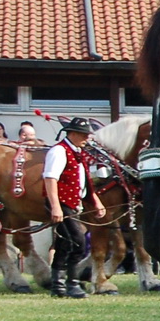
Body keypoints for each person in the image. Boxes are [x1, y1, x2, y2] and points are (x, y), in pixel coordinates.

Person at [41, 116, 106, 299]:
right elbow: (50, 179)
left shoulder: (76, 152)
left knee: (65, 242)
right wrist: (55, 207)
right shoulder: (59, 151)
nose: (87, 139)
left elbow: (84, 182)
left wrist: (96, 202)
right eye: (84, 135)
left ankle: (58, 285)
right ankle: (72, 284)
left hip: (72, 202)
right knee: (78, 241)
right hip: (62, 203)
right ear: (74, 134)